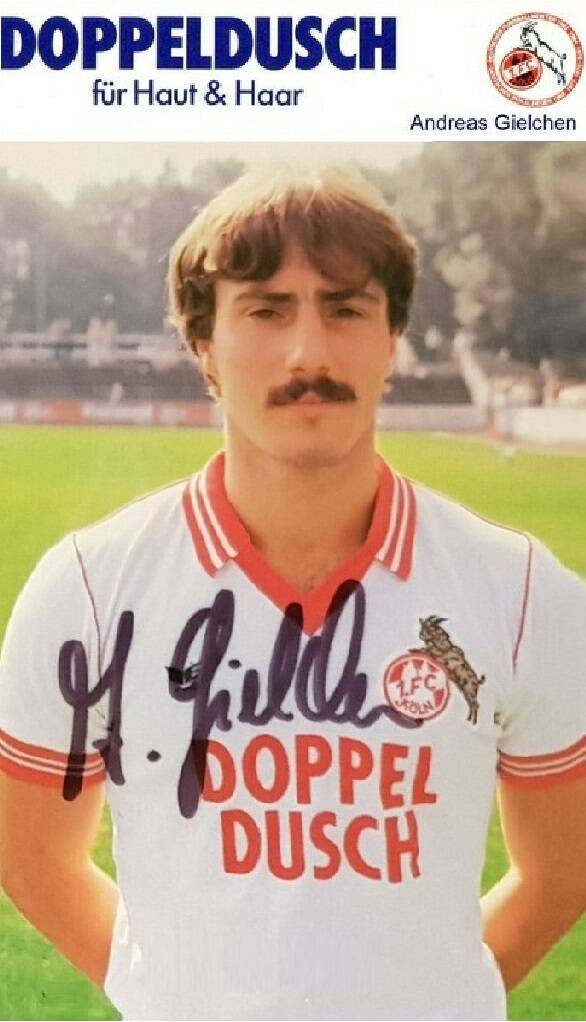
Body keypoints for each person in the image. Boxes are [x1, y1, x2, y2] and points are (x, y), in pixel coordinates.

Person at [1, 165, 586, 1022]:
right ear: (203, 343)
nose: (309, 353)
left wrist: (440, 999)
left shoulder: (525, 593)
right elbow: (31, 857)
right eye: (266, 310)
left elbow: (562, 869)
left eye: (345, 309)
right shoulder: (87, 590)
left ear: (392, 338)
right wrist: (167, 997)